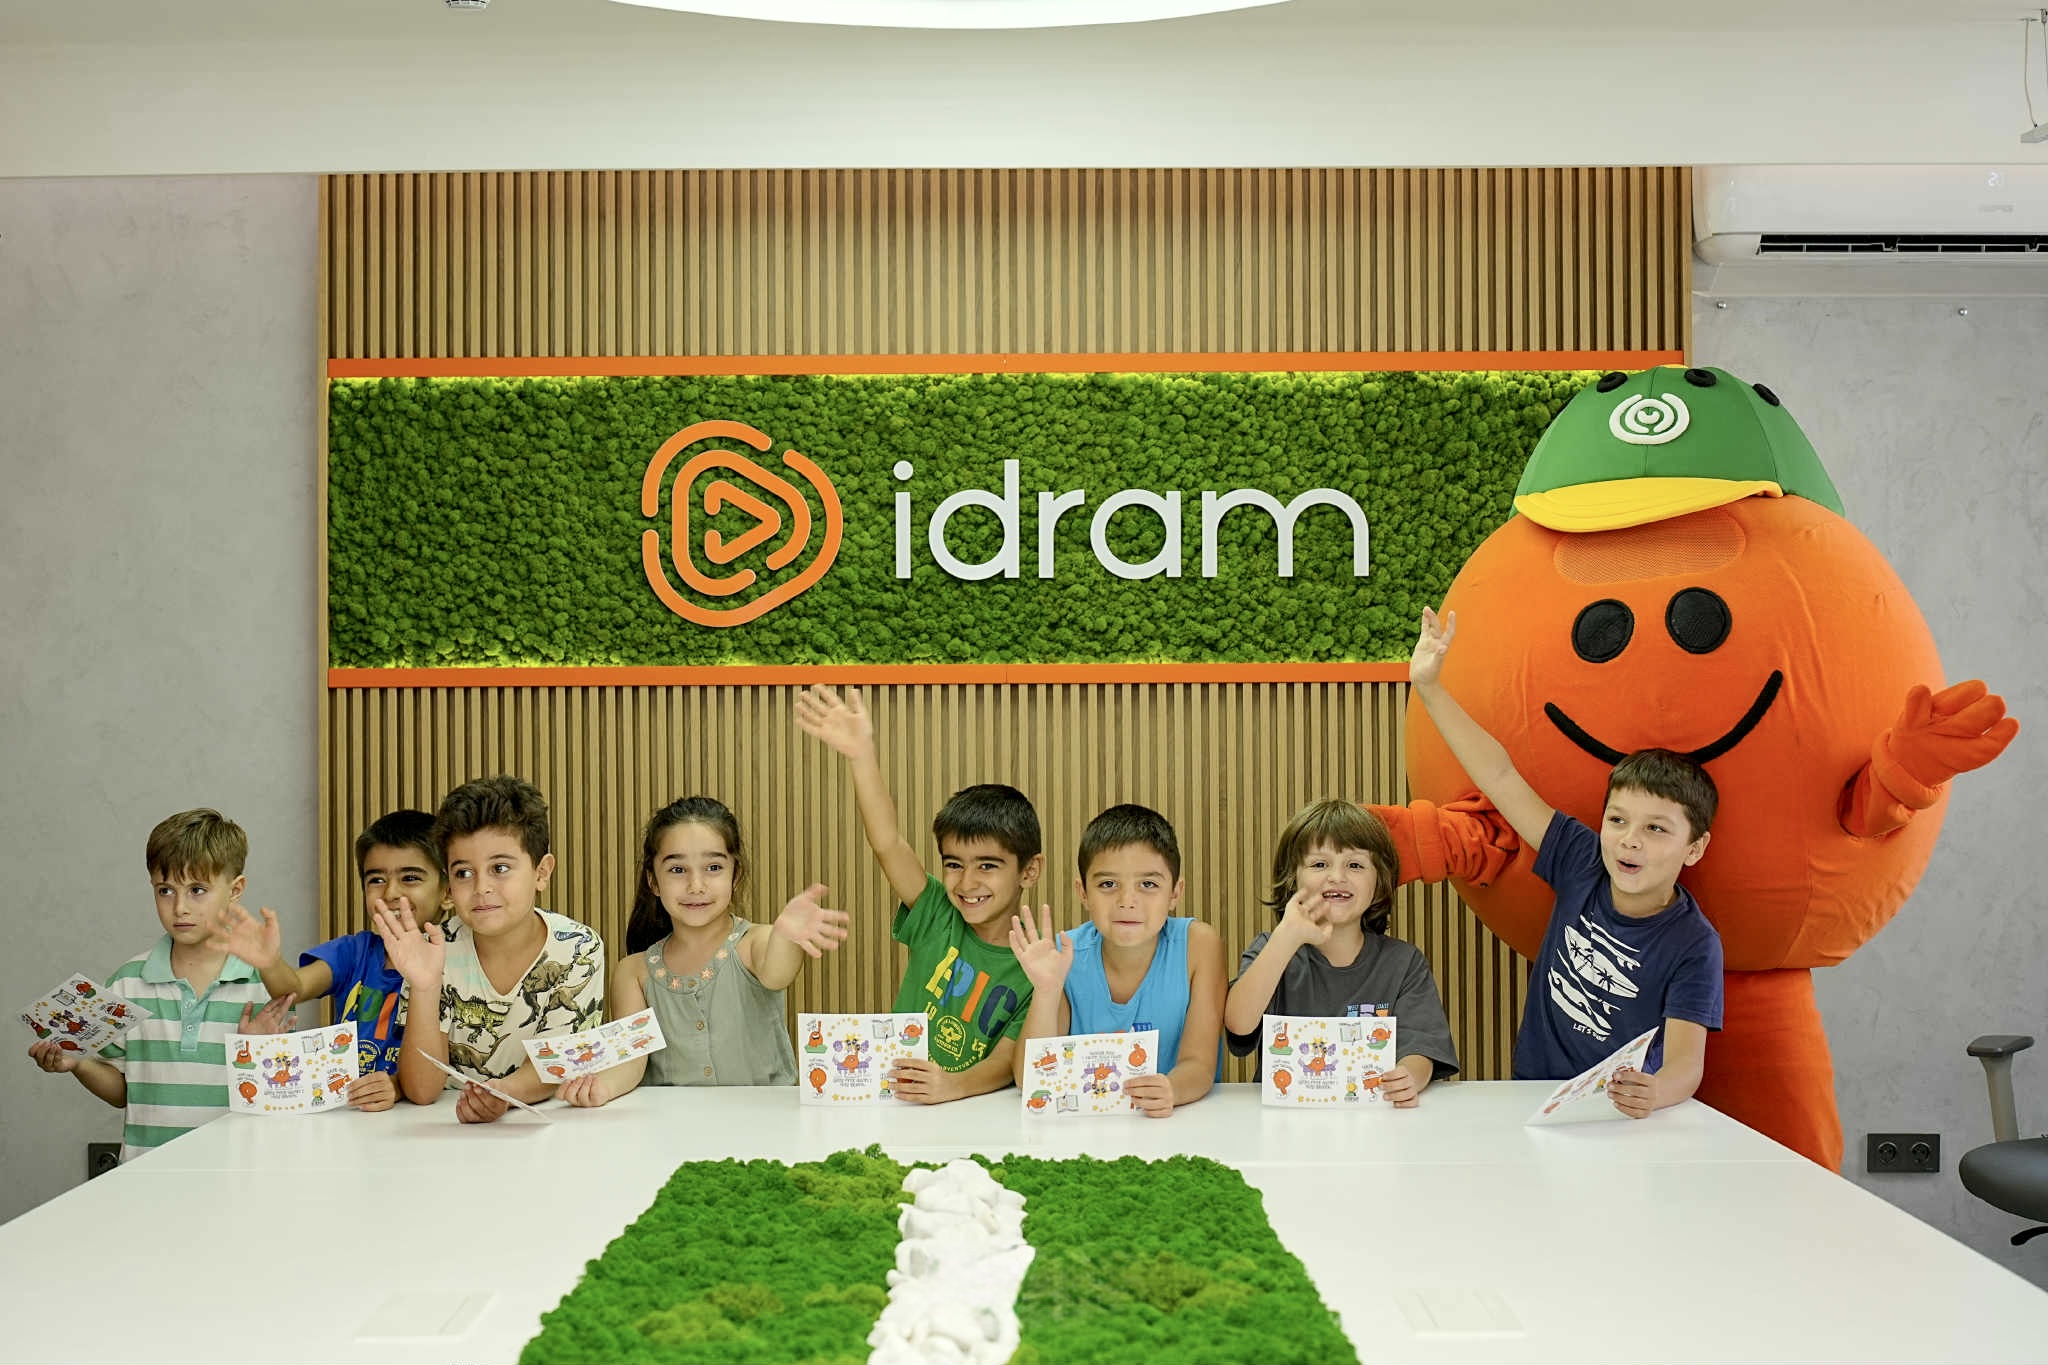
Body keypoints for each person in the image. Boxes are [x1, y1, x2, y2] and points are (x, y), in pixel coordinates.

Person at [1409, 606, 1722, 1117]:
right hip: (1533, 1098)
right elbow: (1501, 777)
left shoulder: (1694, 943)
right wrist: (1429, 688)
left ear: (1695, 848)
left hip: (1620, 1114)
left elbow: (1687, 1064)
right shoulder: (1583, 858)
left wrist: (1655, 1092)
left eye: (1656, 829)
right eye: (1617, 820)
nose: (1629, 841)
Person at [795, 684, 1037, 1102]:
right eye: (954, 864)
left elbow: (1007, 1059)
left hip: (975, 1112)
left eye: (987, 866)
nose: (967, 882)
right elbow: (887, 842)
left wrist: (951, 1086)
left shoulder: (1038, 963)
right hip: (896, 1102)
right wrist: (861, 756)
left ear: (1028, 871)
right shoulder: (937, 913)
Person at [554, 795, 848, 1105]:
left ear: (735, 874)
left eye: (713, 867)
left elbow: (778, 973)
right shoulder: (633, 971)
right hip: (671, 1126)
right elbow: (631, 1062)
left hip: (765, 1120)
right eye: (677, 870)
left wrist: (787, 937)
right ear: (653, 881)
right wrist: (601, 1088)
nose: (696, 885)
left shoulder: (756, 942)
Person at [27, 809, 286, 1160]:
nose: (179, 907)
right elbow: (123, 1092)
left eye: (197, 890)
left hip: (236, 1176)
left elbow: (283, 1096)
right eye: (165, 890)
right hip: (145, 1178)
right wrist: (79, 1064)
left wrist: (254, 1053)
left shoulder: (265, 985)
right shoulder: (126, 983)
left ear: (235, 889)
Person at [375, 775, 604, 1123]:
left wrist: (502, 1095)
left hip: (546, 1122)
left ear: (541, 872)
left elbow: (556, 1063)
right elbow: (421, 1090)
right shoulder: (436, 949)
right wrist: (424, 986)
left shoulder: (578, 948)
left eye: (500, 868)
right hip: (447, 1126)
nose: (481, 887)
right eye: (463, 873)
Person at [206, 808, 449, 1110]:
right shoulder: (354, 951)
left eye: (410, 878)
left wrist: (397, 1086)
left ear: (447, 892)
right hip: (348, 1117)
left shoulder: (457, 962)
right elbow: (292, 988)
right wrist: (269, 962)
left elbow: (433, 1081)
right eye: (376, 879)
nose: (390, 892)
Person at [1223, 798, 1459, 1105]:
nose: (1337, 876)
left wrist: (1409, 1077)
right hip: (1284, 1120)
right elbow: (1239, 1024)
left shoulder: (1404, 963)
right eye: (1319, 864)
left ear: (1380, 881)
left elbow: (1422, 1047)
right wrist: (1285, 939)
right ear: (1293, 877)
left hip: (1377, 1116)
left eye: (1355, 865)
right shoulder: (1271, 950)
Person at [1008, 803, 1226, 1118]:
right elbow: (1029, 1078)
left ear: (1175, 893)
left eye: (1148, 884)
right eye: (1108, 884)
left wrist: (1171, 1089)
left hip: (1174, 1122)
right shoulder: (1063, 955)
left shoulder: (1198, 945)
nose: (1127, 901)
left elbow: (1199, 1064)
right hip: (1085, 1126)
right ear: (1083, 892)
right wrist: (1046, 992)